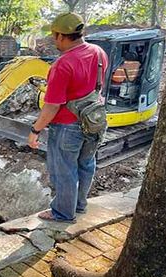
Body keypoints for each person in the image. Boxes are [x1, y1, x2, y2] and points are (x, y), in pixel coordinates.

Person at [28, 12, 108, 223]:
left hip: (67, 127)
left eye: (54, 36)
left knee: (64, 170)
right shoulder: (99, 53)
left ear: (62, 36)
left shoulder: (62, 64)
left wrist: (35, 130)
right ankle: (79, 205)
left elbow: (52, 106)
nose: (54, 41)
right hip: (94, 121)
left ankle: (63, 213)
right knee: (86, 164)